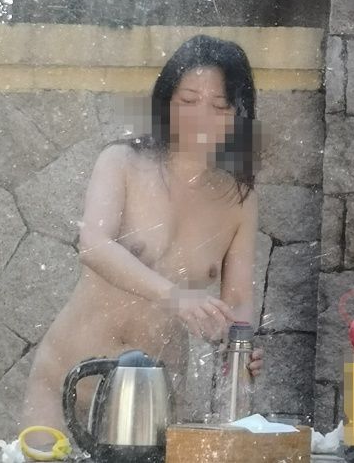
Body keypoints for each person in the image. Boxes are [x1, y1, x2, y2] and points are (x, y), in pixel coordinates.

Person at [20, 35, 265, 447]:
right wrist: (175, 297)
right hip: (65, 385)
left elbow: (237, 303)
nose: (201, 117)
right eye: (188, 100)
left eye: (219, 106)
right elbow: (93, 244)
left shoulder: (238, 201)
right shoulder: (122, 162)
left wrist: (239, 350)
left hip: (151, 404)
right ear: (166, 103)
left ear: (237, 116)